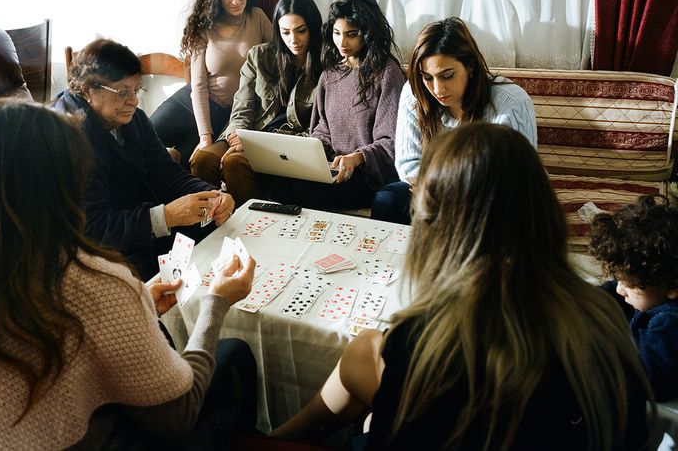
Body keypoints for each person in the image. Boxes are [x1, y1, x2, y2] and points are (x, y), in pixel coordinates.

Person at [0, 98, 258, 449]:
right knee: (234, 354)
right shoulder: (93, 281)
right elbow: (177, 417)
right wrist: (216, 302)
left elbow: (50, 342)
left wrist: (137, 301)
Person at [272, 122, 653, 450]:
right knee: (364, 352)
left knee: (367, 363)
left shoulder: (422, 344)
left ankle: (270, 440)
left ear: (438, 229)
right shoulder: (604, 311)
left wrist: (374, 427)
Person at [52, 38, 235, 280]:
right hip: (93, 252)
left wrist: (213, 195)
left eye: (136, 90)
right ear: (87, 90)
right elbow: (93, 229)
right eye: (122, 93)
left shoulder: (134, 120)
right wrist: (165, 216)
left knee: (215, 229)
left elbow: (167, 174)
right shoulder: (67, 137)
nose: (134, 101)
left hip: (136, 225)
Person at [371, 16, 536, 224]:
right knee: (387, 200)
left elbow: (513, 178)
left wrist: (448, 191)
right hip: (434, 191)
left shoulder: (511, 103)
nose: (437, 89)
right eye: (428, 77)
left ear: (471, 66)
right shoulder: (415, 93)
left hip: (489, 199)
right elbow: (408, 163)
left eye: (447, 75)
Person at [191, 0, 324, 206]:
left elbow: (322, 125)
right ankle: (210, 227)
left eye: (301, 31)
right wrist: (239, 135)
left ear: (313, 28)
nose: (293, 40)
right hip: (250, 131)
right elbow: (242, 107)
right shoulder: (259, 56)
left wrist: (255, 144)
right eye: (285, 32)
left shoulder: (326, 65)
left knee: (235, 162)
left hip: (288, 142)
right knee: (202, 159)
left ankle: (250, 228)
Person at [280, 0, 405, 210]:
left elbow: (390, 141)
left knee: (304, 192)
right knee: (284, 184)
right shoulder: (330, 74)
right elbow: (321, 129)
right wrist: (310, 151)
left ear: (368, 33)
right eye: (337, 33)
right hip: (333, 168)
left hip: (367, 176)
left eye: (351, 34)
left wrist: (357, 158)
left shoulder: (387, 73)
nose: (342, 42)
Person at [150, 0, 272, 168]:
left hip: (229, 114)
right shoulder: (204, 25)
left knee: (187, 165)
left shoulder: (258, 18)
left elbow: (278, 62)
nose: (234, 1)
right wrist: (204, 135)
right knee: (143, 138)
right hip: (192, 102)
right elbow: (198, 85)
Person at [589, 195, 678, 402]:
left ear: (673, 287)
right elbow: (612, 292)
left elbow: (647, 379)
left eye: (629, 285)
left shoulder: (671, 322)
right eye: (618, 279)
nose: (620, 289)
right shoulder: (656, 292)